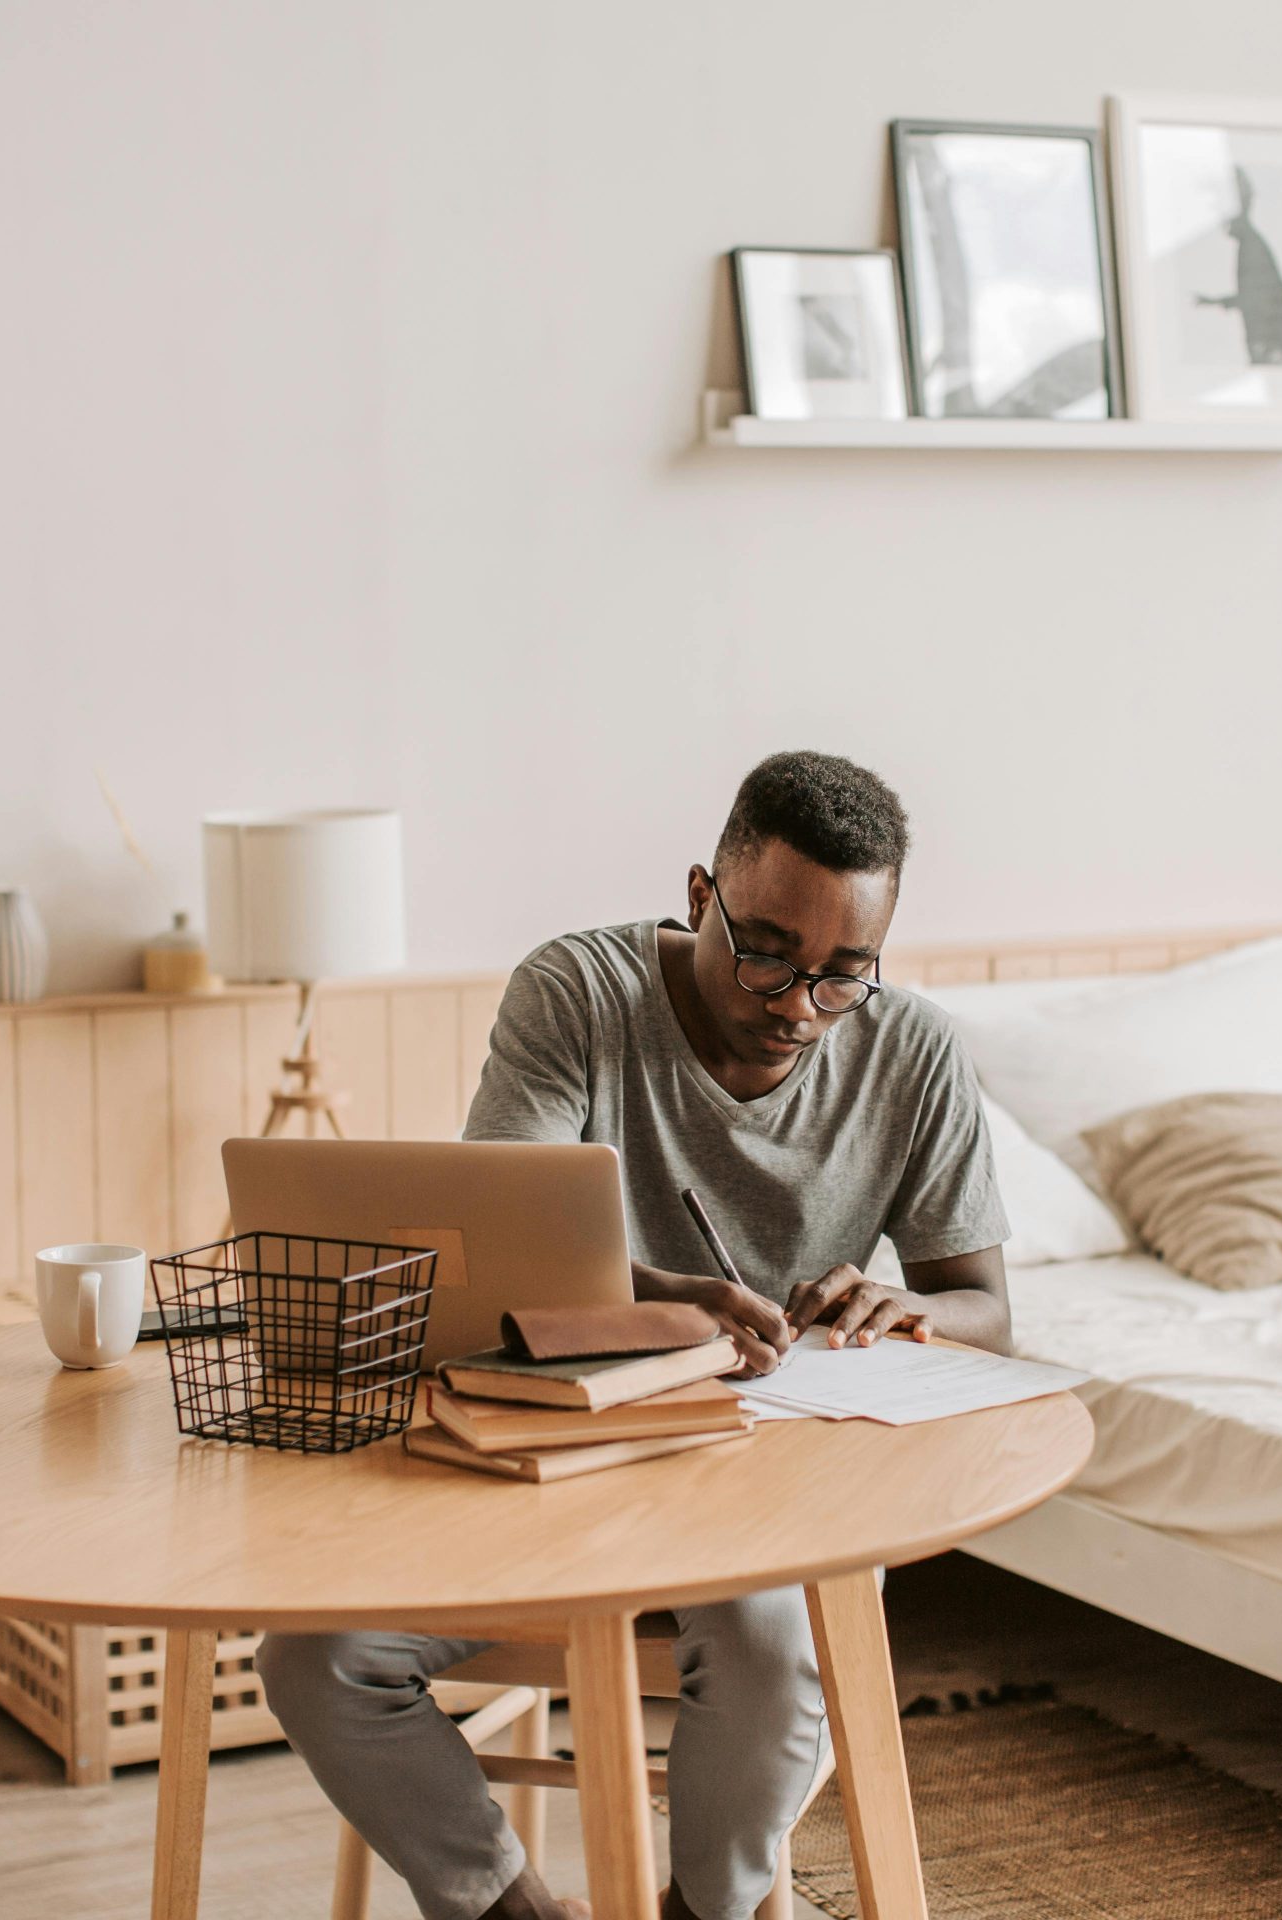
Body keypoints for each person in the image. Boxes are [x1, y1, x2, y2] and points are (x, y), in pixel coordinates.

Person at [258, 750, 1011, 1920]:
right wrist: (667, 1299)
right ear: (702, 896)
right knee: (314, 1658)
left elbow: (988, 1311)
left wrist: (910, 1308)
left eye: (840, 975)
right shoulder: (579, 991)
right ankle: (509, 1910)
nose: (796, 1009)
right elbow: (500, 1245)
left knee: (772, 1654)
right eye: (765, 952)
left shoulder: (913, 1053)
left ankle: (702, 1913)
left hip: (770, 1478)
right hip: (551, 1461)